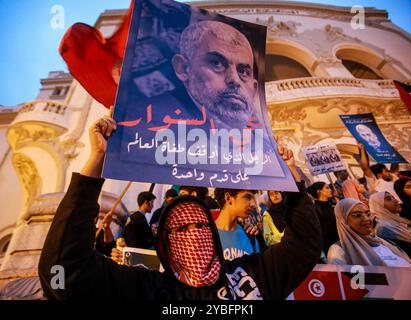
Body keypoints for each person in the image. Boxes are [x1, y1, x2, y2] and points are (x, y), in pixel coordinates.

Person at [38, 113, 322, 300]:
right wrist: (97, 159)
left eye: (200, 225)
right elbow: (64, 269)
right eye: (182, 228)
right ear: (166, 242)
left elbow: (305, 245)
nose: (194, 233)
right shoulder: (151, 290)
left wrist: (291, 176)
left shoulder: (249, 274)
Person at [172, 20, 259, 130]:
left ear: (254, 89)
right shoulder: (150, 124)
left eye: (243, 72)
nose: (235, 80)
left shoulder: (261, 140)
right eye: (217, 63)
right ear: (183, 68)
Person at [327, 198, 411, 267]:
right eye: (357, 215)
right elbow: (355, 285)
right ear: (344, 221)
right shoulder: (339, 251)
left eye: (368, 214)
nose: (367, 219)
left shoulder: (380, 241)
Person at [369, 192, 411, 262]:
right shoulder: (384, 227)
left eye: (393, 197)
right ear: (379, 206)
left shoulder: (396, 220)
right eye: (388, 199)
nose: (396, 200)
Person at [308, 182, 339, 256]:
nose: (330, 190)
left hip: (341, 239)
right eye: (327, 188)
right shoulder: (315, 209)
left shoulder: (332, 203)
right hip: (331, 245)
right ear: (319, 191)